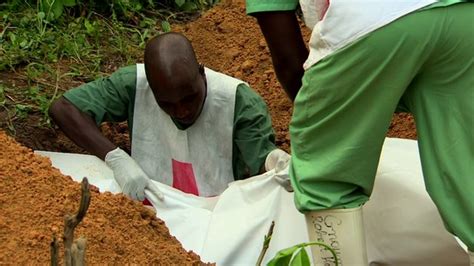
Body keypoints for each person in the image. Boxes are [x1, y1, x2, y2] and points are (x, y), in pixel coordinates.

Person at [246, 0, 473, 264]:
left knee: (326, 179)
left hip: (368, 19)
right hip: (463, 15)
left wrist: (330, 137)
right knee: (465, 163)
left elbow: (289, 61)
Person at [49, 32, 290, 202]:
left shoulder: (238, 102)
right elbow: (64, 109)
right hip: (149, 209)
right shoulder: (134, 85)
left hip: (217, 218)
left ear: (202, 74)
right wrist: (115, 157)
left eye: (189, 98)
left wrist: (272, 161)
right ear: (151, 87)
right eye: (166, 103)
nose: (182, 111)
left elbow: (259, 158)